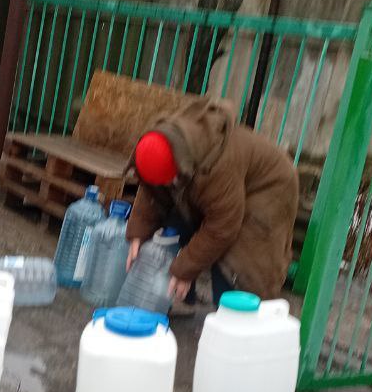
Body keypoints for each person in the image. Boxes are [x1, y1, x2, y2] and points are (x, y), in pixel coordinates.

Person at [125, 98, 299, 302]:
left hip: (269, 187)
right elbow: (152, 190)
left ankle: (231, 316)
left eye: (168, 180)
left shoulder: (218, 167)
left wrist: (185, 270)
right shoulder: (164, 142)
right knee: (173, 228)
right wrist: (138, 233)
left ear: (180, 168)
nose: (165, 185)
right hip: (215, 184)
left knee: (237, 265)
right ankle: (183, 303)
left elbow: (222, 227)